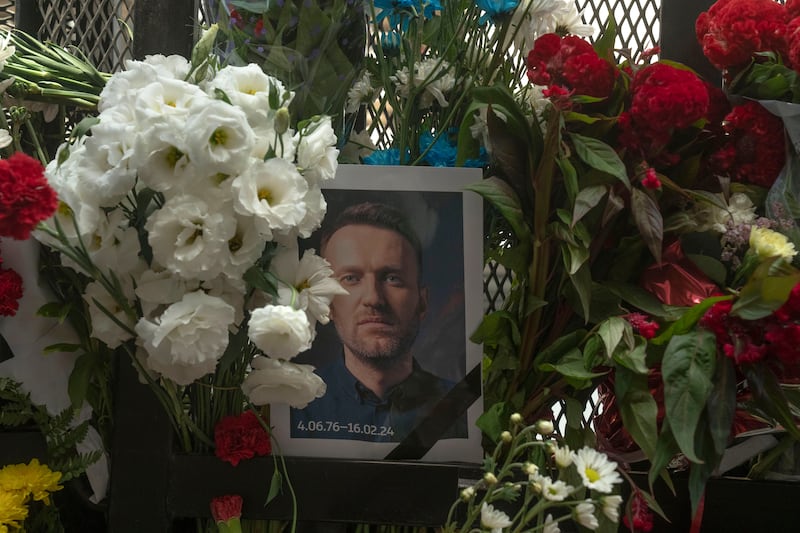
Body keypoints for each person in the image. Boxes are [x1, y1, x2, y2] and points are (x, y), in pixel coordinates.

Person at [290, 202, 466, 442]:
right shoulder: (293, 411)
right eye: (351, 278)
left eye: (392, 278)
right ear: (326, 303)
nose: (373, 298)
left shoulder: (463, 412)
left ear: (422, 302)